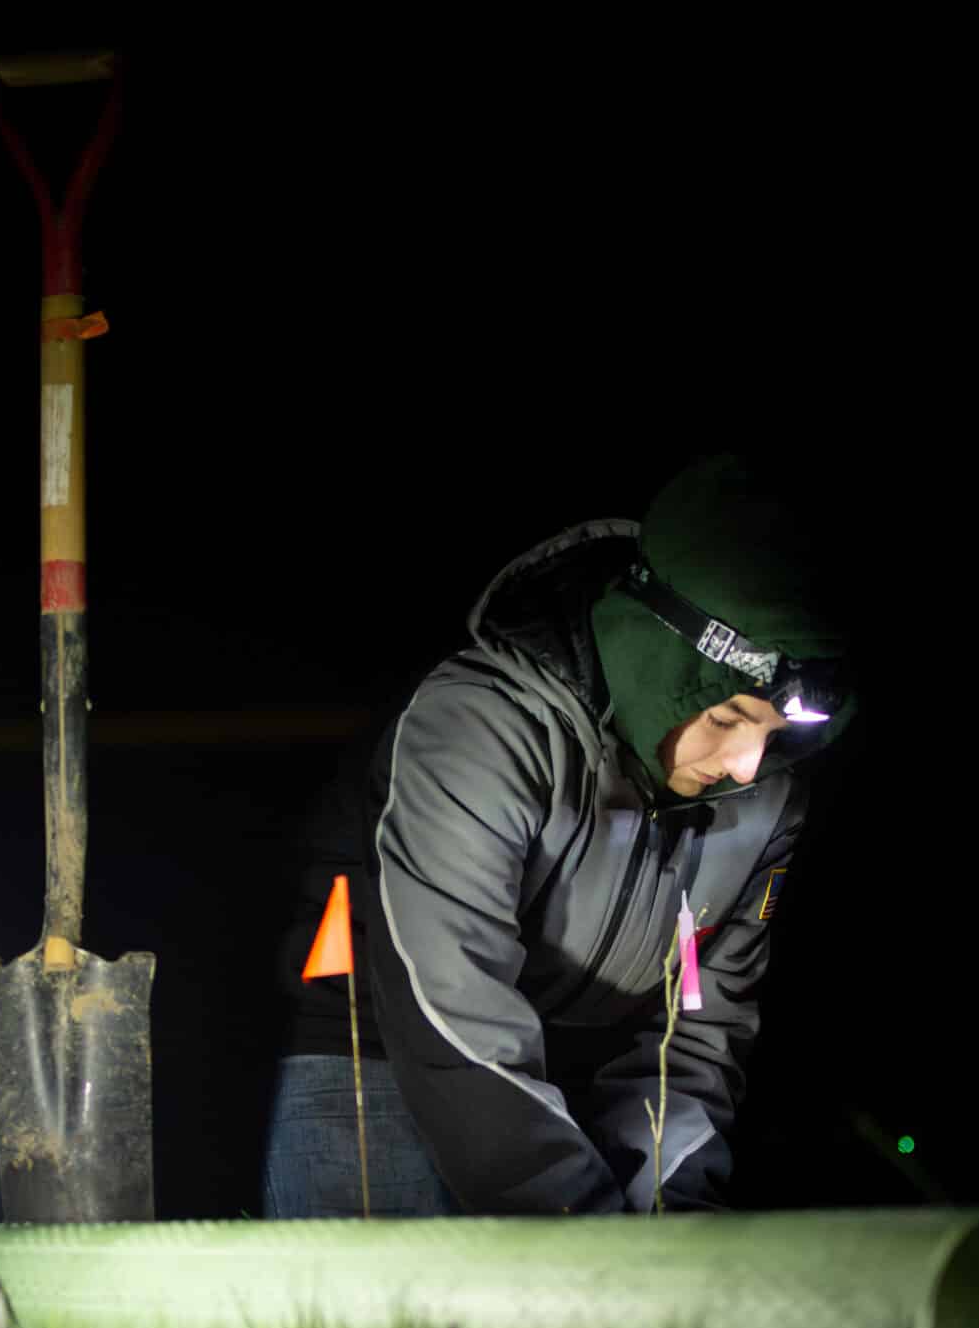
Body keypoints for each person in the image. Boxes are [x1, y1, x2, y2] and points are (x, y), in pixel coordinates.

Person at [264, 452, 858, 1217]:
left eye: (775, 732)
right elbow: (455, 1009)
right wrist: (589, 1237)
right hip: (373, 1045)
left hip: (576, 1071)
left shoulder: (770, 800)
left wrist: (672, 1229)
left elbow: (699, 1037)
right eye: (725, 718)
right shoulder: (479, 728)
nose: (748, 766)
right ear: (658, 659)